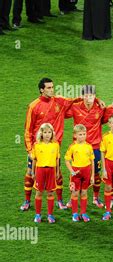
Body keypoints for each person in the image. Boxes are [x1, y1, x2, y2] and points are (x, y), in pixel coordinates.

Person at [22, 78, 81, 212]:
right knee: (30, 173)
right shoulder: (33, 106)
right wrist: (30, 150)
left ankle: (59, 200)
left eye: (52, 87)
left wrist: (95, 100)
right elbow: (27, 130)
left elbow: (75, 100)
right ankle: (27, 201)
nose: (51, 90)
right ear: (41, 90)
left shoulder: (59, 101)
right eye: (48, 88)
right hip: (38, 149)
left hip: (54, 148)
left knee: (57, 174)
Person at [65, 85, 106, 209]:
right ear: (82, 96)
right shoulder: (75, 107)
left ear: (95, 96)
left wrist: (98, 100)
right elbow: (64, 110)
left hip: (95, 146)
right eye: (86, 95)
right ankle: (72, 198)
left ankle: (95, 197)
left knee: (97, 173)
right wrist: (78, 99)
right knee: (75, 173)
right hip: (78, 147)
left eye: (92, 96)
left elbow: (110, 117)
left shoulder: (101, 108)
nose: (89, 98)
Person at [65, 124, 95, 222]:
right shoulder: (72, 147)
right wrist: (72, 172)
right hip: (76, 173)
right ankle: (74, 214)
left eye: (84, 134)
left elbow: (92, 161)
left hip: (86, 172)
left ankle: (83, 213)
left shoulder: (89, 147)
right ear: (75, 135)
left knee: (84, 193)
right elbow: (67, 160)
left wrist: (92, 175)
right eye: (80, 134)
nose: (82, 136)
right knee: (75, 193)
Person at [30, 123, 60, 224]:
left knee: (50, 192)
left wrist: (58, 171)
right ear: (41, 133)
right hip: (40, 170)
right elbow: (34, 159)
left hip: (51, 171)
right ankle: (38, 214)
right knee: (39, 192)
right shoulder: (37, 145)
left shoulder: (55, 145)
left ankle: (50, 215)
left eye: (49, 132)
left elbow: (57, 159)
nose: (47, 134)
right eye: (45, 132)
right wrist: (33, 172)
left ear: (52, 133)